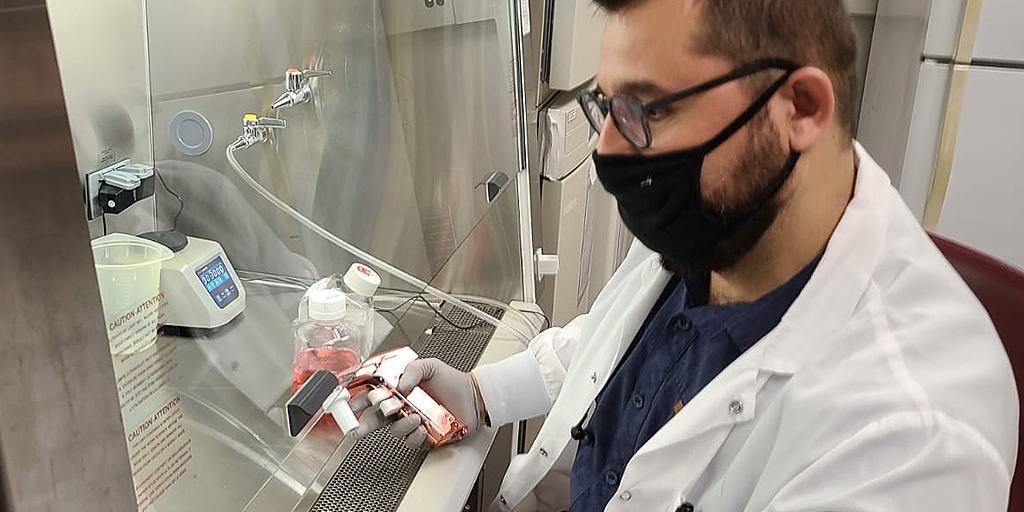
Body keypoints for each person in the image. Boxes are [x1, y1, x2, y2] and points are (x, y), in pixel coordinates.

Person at [356, 0, 1019, 510]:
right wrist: (481, 392)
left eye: (647, 108)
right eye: (608, 105)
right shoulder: (723, 219)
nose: (610, 151)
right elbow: (612, 349)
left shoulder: (910, 442)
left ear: (801, 106)